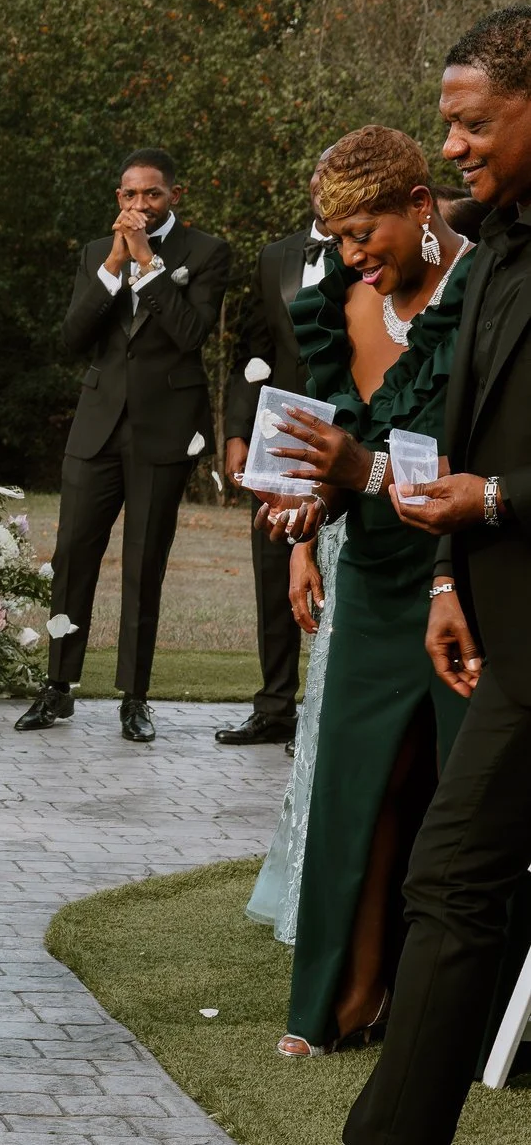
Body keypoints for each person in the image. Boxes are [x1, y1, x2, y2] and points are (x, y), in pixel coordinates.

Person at [233, 6, 531, 1145]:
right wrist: (456, 577)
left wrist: (502, 500)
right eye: (447, 125)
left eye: (471, 122)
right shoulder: (504, 253)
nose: (453, 145)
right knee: (454, 880)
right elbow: (469, 438)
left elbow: (494, 466)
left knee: (457, 877)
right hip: (499, 624)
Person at [260, 128, 474, 1057]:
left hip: (472, 570)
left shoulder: (488, 291)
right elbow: (330, 458)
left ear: (420, 205)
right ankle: (345, 997)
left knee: (459, 792)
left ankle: (463, 1014)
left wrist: (360, 470)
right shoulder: (339, 309)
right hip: (374, 573)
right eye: (336, 238)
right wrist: (309, 516)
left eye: (364, 232)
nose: (352, 256)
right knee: (361, 786)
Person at [16, 148, 230, 743]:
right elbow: (73, 338)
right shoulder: (95, 254)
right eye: (130, 196)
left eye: (152, 195)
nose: (140, 205)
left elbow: (191, 337)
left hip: (163, 429)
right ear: (118, 199)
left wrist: (149, 263)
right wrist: (116, 263)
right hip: (97, 426)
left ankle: (134, 698)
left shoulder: (207, 253)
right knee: (72, 559)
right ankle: (57, 688)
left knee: (143, 566)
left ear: (174, 197)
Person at [217, 161, 334, 747]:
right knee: (271, 569)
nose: (322, 184)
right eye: (316, 174)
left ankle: (323, 716)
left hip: (348, 434)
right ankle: (274, 707)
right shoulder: (275, 256)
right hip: (279, 432)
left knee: (334, 569)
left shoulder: (376, 252)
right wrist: (237, 430)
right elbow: (253, 350)